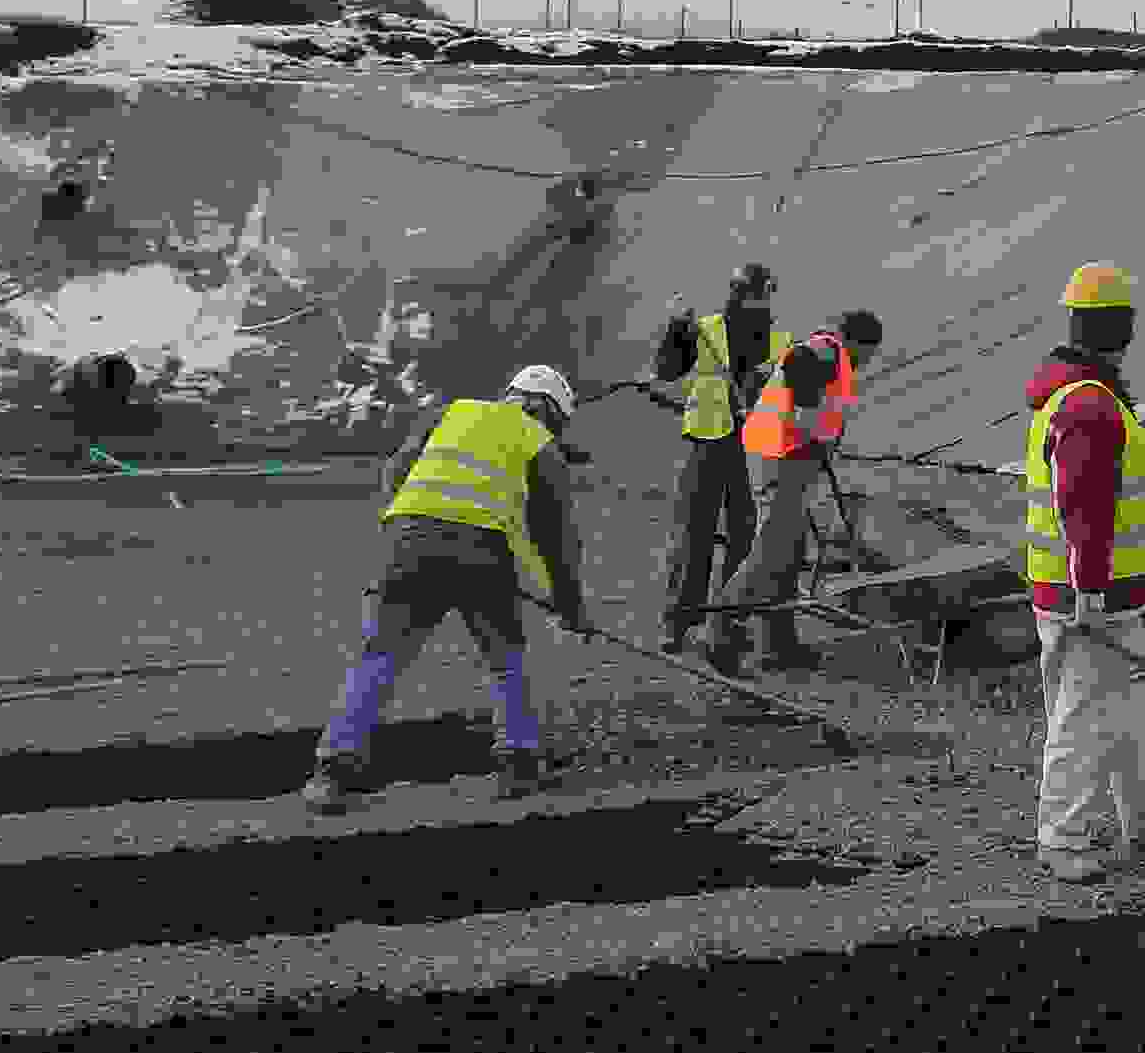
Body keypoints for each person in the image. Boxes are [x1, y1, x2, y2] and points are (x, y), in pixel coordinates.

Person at [302, 364, 591, 813]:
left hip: (407, 543)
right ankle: (518, 762)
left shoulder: (448, 413)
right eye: (556, 421)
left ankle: (332, 772)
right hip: (483, 550)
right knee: (505, 656)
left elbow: (396, 473)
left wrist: (410, 529)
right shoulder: (538, 441)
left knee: (379, 656)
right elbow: (557, 538)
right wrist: (571, 604)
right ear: (546, 409)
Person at [1022, 262, 1145, 883]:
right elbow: (1081, 507)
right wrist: (1090, 595)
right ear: (1122, 325)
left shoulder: (1095, 396)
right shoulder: (1085, 405)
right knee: (1083, 715)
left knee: (1138, 710)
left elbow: (1132, 457)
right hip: (1088, 598)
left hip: (1109, 595)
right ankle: (1063, 839)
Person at [713, 305, 886, 671]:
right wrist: (808, 427)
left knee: (790, 553)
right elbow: (797, 364)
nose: (869, 361)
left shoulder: (836, 359)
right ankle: (724, 631)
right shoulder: (826, 349)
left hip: (790, 457)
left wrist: (821, 440)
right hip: (780, 455)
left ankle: (780, 646)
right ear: (862, 343)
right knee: (772, 551)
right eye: (871, 352)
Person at [650, 262, 794, 664]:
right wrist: (676, 332)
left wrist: (761, 389)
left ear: (767, 294)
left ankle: (727, 627)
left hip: (754, 451)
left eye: (756, 292)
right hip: (709, 443)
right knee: (692, 536)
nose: (747, 299)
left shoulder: (782, 340)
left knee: (744, 541)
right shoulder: (705, 329)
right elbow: (665, 371)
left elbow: (787, 396)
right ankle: (678, 621)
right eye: (742, 291)